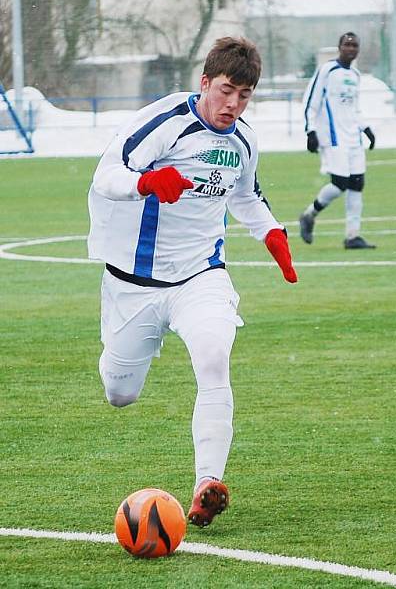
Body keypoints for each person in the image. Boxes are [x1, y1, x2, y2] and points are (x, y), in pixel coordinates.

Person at [87, 36, 298, 528]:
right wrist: (146, 182)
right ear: (205, 82)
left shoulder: (243, 140)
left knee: (213, 357)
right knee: (121, 393)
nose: (233, 104)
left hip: (200, 275)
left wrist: (271, 233)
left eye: (245, 95)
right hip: (132, 282)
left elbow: (245, 195)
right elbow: (105, 176)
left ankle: (207, 483)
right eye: (226, 91)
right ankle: (118, 362)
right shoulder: (163, 123)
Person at [298, 32, 377, 249]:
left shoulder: (355, 75)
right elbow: (310, 102)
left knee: (357, 184)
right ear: (340, 47)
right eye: (347, 45)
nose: (351, 49)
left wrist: (366, 128)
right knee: (340, 184)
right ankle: (308, 215)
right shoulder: (327, 70)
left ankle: (352, 236)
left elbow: (354, 108)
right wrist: (310, 131)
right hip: (332, 137)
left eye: (355, 45)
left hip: (353, 138)